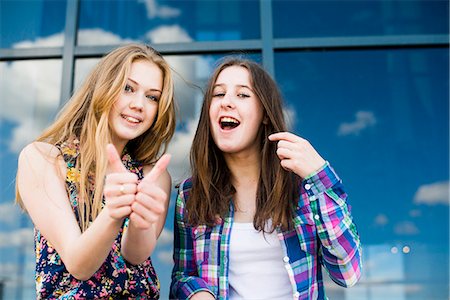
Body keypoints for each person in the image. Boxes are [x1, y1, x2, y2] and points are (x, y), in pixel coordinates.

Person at [170, 57, 362, 300]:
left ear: (265, 115)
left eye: (242, 95)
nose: (227, 102)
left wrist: (320, 177)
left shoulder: (304, 187)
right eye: (218, 94)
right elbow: (181, 276)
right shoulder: (191, 194)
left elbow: (348, 273)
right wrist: (197, 293)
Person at [16, 43, 176, 299]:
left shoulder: (152, 175)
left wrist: (141, 221)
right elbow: (79, 264)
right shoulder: (42, 159)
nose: (139, 104)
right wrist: (113, 213)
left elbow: (135, 255)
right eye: (128, 88)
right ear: (103, 88)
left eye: (152, 96)